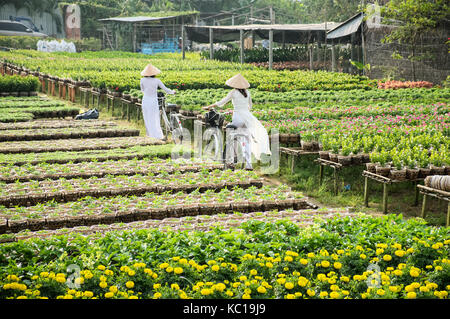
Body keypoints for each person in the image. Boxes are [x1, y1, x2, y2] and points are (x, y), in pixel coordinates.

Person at [203, 73, 271, 169]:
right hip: (248, 118)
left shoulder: (233, 92)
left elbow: (222, 102)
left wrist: (209, 107)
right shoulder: (247, 93)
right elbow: (250, 106)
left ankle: (231, 159)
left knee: (230, 132)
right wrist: (242, 109)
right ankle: (248, 165)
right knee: (247, 140)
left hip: (238, 117)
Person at [140, 63, 175, 139]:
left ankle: (149, 134)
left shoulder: (142, 80)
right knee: (155, 117)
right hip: (153, 101)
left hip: (145, 100)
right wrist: (172, 92)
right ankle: (157, 135)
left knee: (147, 117)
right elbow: (165, 89)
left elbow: (142, 90)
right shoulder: (157, 80)